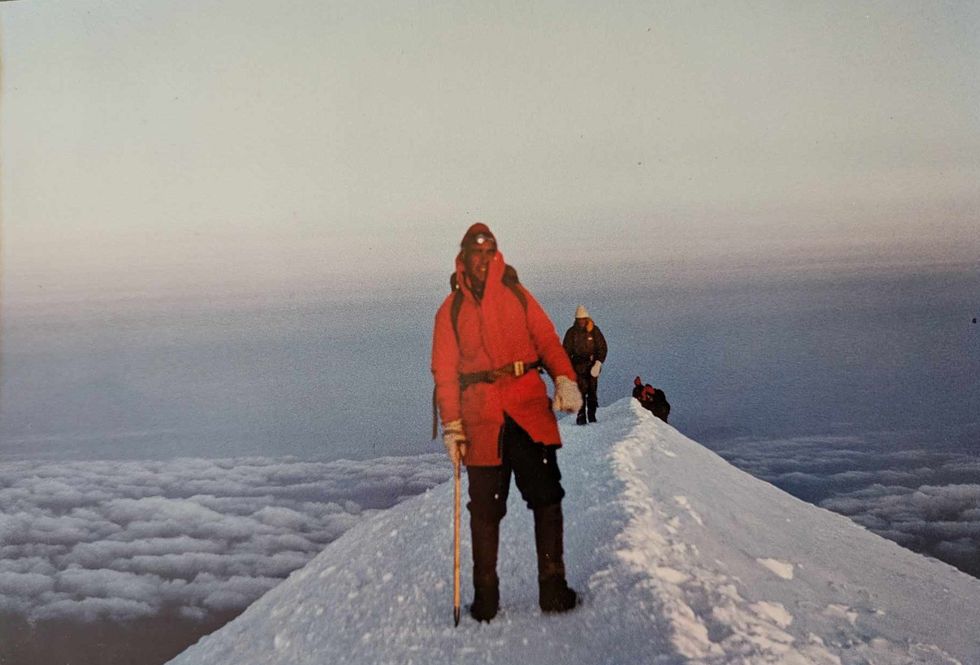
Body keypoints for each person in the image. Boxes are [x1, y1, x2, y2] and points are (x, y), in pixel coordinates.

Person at [431, 223, 584, 622]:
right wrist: (452, 424)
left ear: (495, 255)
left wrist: (564, 377)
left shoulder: (517, 294)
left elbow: (548, 339)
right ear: (463, 257)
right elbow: (444, 373)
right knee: (484, 510)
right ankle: (486, 600)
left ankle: (553, 589)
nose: (481, 260)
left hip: (527, 411)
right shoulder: (450, 311)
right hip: (481, 420)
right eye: (474, 253)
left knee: (547, 499)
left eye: (488, 252)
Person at [562, 305, 608, 425]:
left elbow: (602, 348)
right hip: (577, 366)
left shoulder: (594, 330)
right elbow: (565, 351)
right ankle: (581, 416)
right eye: (579, 319)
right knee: (580, 391)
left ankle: (592, 416)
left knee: (592, 391)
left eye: (583, 319)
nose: (581, 321)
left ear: (587, 318)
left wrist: (598, 363)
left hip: (592, 365)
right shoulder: (571, 333)